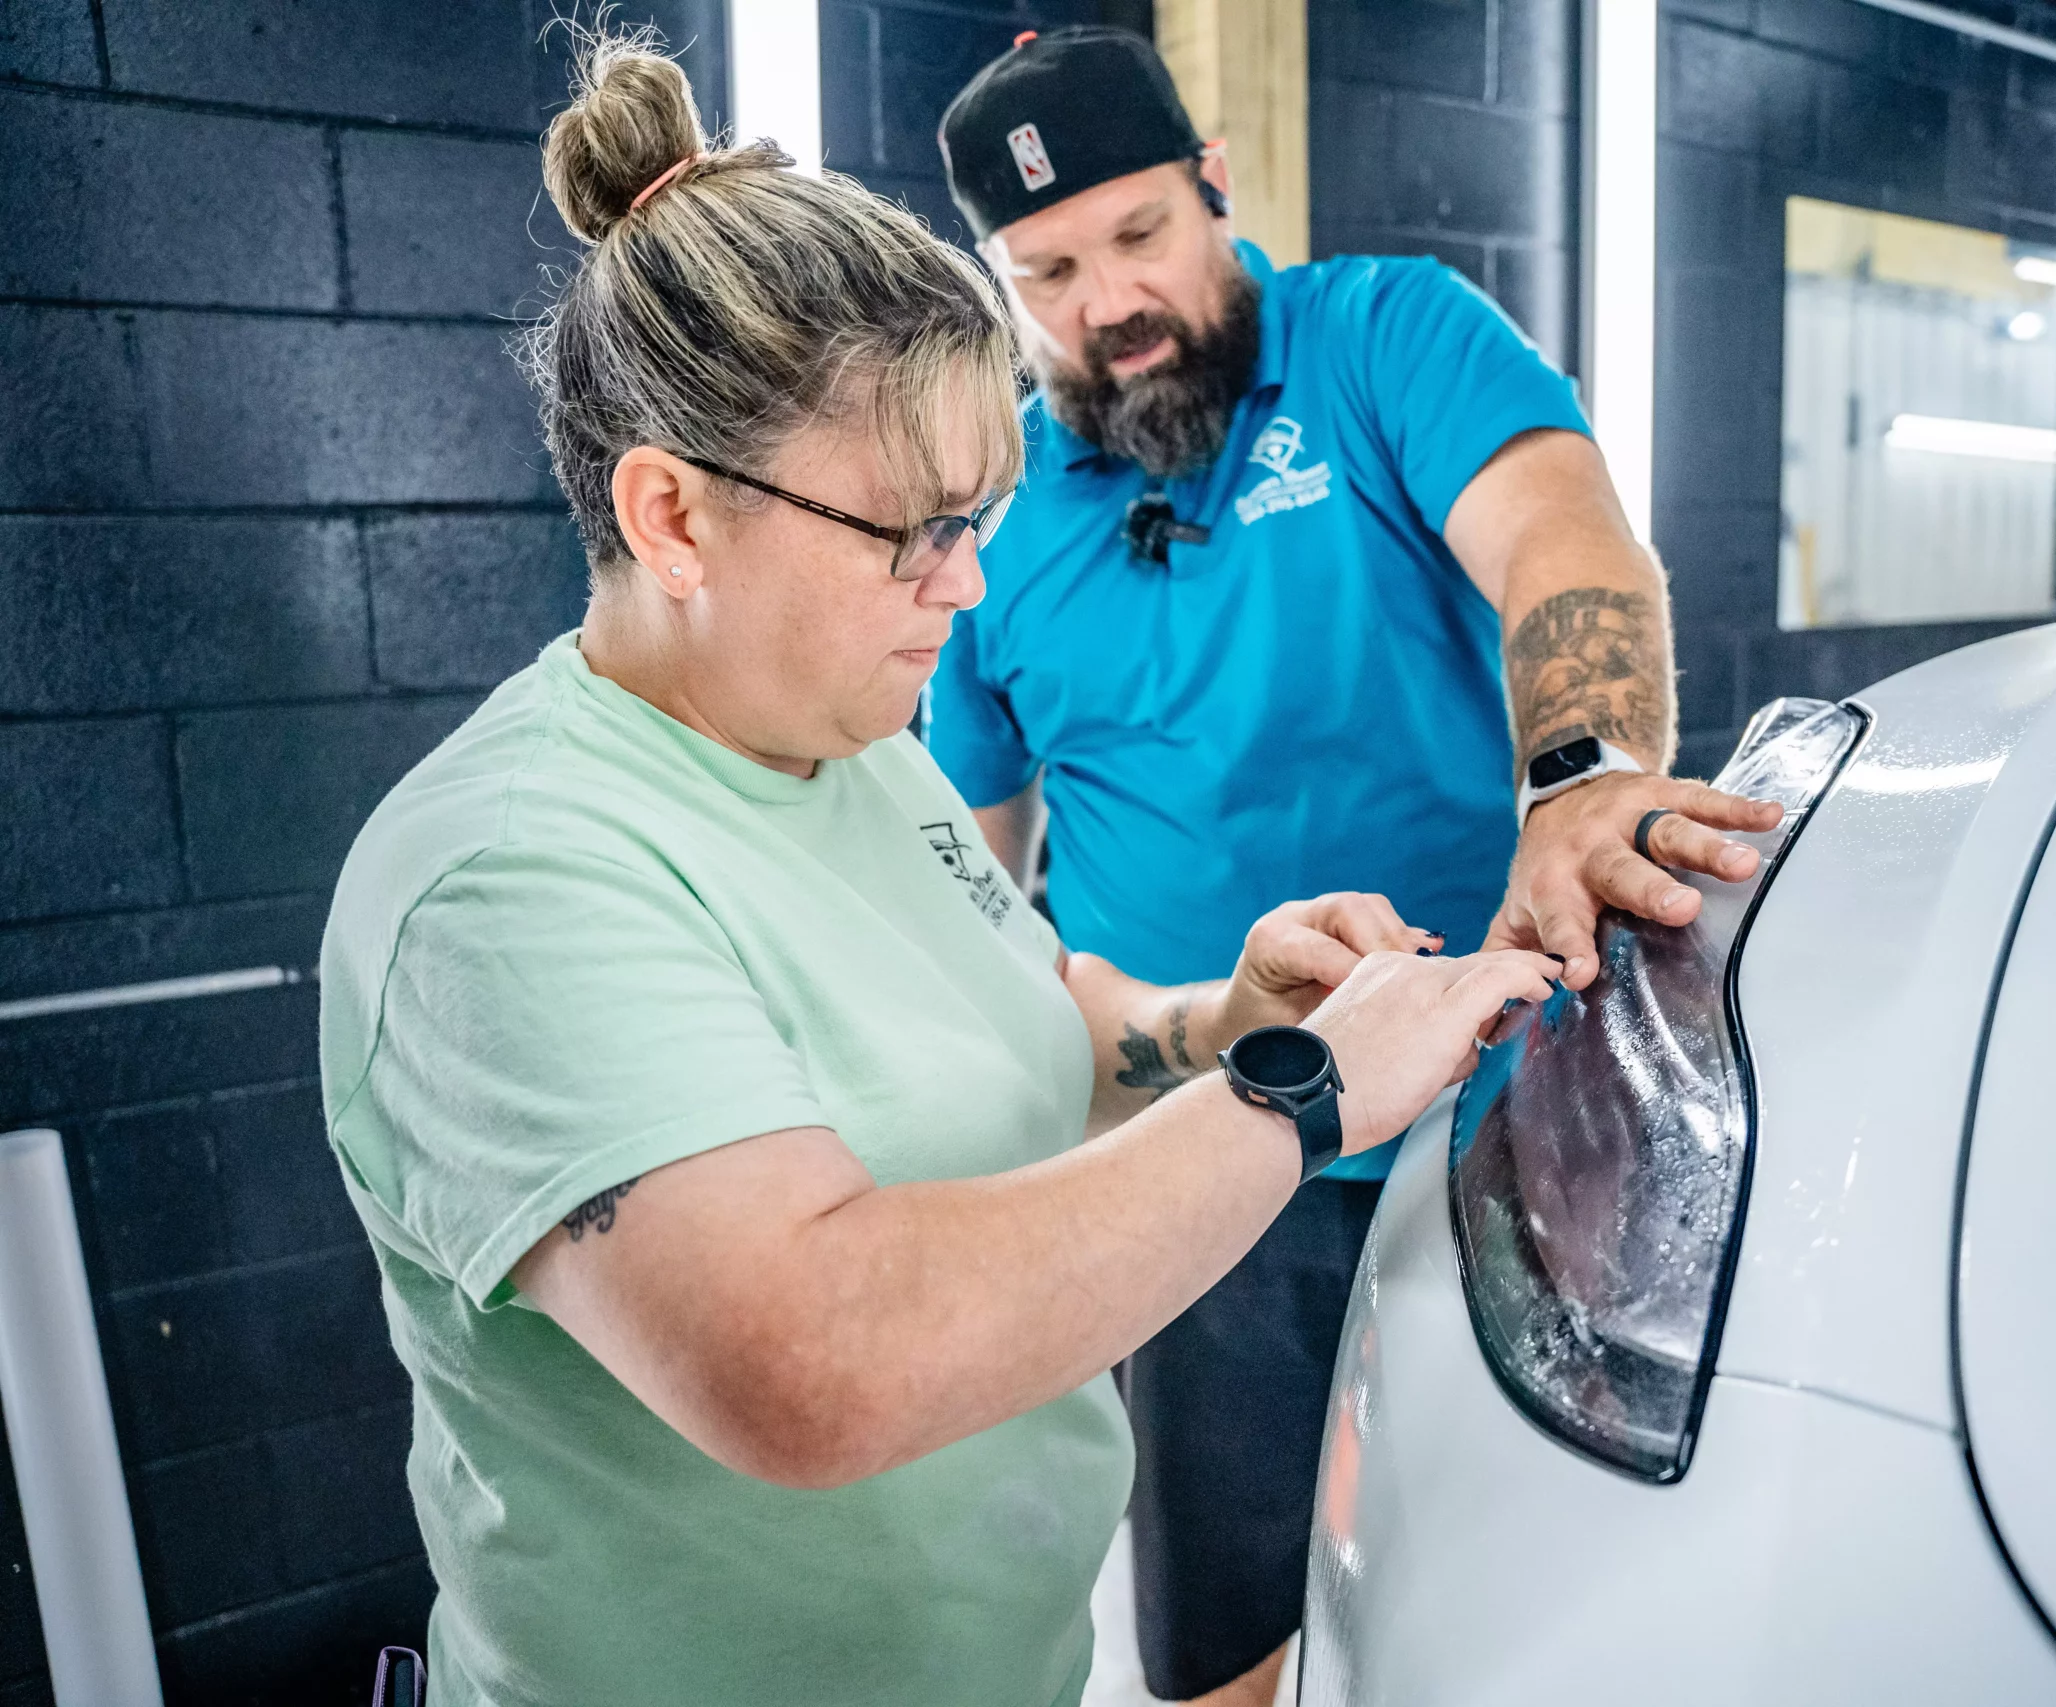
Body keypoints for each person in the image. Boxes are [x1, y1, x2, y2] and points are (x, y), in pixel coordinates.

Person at [315, 31, 1557, 1707]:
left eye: (982, 523)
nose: (970, 594)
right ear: (673, 518)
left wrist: (1220, 1013)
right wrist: (1305, 1085)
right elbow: (816, 1358)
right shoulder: (508, 877)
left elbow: (1038, 1025)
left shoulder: (858, 757)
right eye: (918, 534)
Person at [930, 29, 1782, 1704]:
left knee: (1536, 1620)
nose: (1108, 300)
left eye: (1138, 235)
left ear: (1217, 188)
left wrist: (1584, 779)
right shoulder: (996, 511)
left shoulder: (1387, 334)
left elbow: (1560, 535)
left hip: (1504, 1127)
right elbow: (950, 866)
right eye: (1046, 271)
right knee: (1229, 1654)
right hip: (1203, 1177)